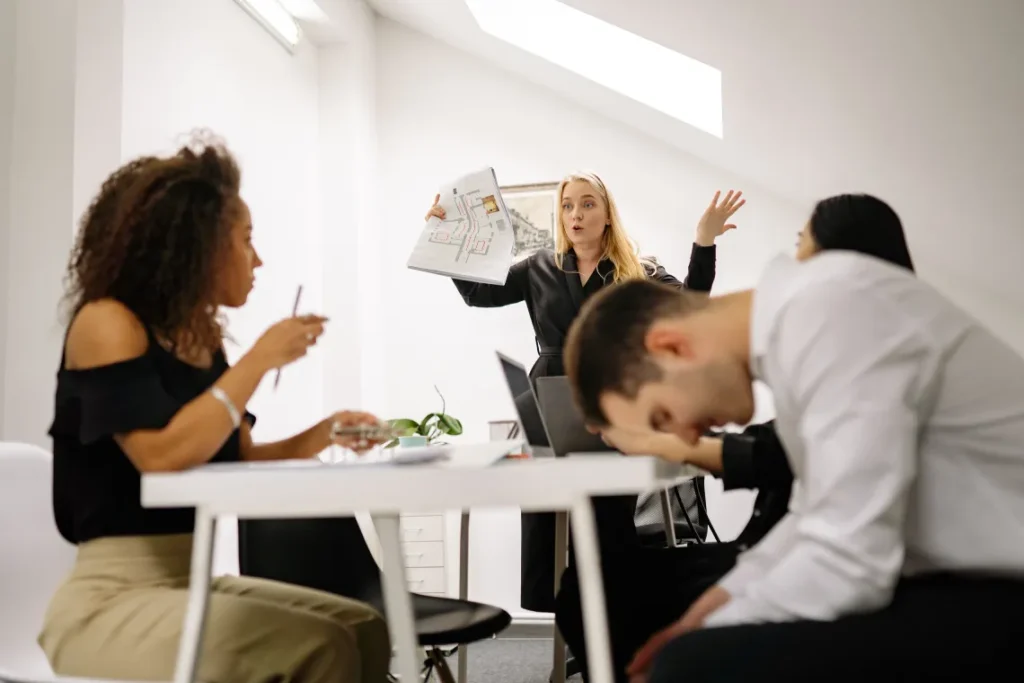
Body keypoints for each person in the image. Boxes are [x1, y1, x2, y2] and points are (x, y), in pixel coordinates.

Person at [563, 194, 1024, 682]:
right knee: (691, 644)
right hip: (965, 578)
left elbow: (850, 561)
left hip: (1001, 590)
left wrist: (704, 632)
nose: (684, 436)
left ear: (671, 347)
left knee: (689, 665)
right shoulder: (801, 322)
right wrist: (712, 607)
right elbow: (812, 516)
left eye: (662, 415)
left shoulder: (829, 309)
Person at [40, 135, 392, 683]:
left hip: (189, 579)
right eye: (245, 240)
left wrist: (323, 434)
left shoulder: (200, 338)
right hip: (108, 600)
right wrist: (256, 362)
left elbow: (235, 455)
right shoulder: (105, 323)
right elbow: (162, 456)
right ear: (195, 246)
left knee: (365, 627)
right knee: (323, 647)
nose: (258, 259)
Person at [425, 173, 746, 613]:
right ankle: (566, 614)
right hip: (549, 395)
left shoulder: (638, 270)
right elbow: (478, 294)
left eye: (588, 204)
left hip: (611, 399)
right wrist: (446, 239)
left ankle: (610, 617)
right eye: (568, 205)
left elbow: (690, 305)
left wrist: (703, 241)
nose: (576, 214)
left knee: (607, 518)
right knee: (549, 514)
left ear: (607, 214)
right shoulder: (539, 266)